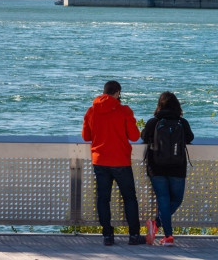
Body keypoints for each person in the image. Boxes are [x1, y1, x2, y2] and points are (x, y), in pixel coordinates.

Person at [82, 80, 146, 246]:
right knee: (130, 198)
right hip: (120, 161)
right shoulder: (124, 111)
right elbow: (134, 136)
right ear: (118, 93)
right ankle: (133, 236)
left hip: (100, 161)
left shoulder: (91, 111)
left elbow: (85, 137)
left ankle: (107, 236)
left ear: (103, 92)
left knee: (103, 199)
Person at [141, 91, 194, 247]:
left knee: (163, 198)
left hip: (156, 166)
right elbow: (190, 138)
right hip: (177, 166)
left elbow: (144, 137)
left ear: (159, 105)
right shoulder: (182, 122)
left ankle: (161, 229)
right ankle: (164, 232)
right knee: (176, 199)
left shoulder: (154, 122)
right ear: (177, 106)